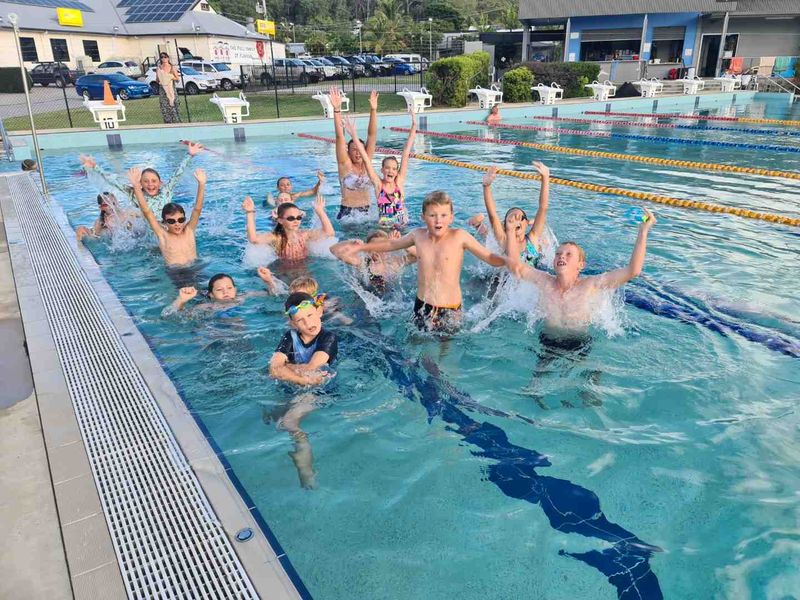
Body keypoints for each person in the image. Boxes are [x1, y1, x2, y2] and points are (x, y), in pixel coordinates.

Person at [353, 191, 506, 333]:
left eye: (444, 215)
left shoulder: (460, 236)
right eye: (432, 215)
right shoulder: (417, 236)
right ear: (423, 217)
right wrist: (364, 247)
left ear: (451, 217)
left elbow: (490, 258)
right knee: (415, 345)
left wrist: (511, 263)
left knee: (445, 349)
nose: (438, 220)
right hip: (421, 305)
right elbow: (391, 245)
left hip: (450, 309)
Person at [506, 208, 657, 333]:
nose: (561, 257)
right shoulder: (544, 281)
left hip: (580, 344)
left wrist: (643, 232)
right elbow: (516, 266)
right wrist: (511, 232)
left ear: (581, 265)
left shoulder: (591, 285)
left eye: (568, 254)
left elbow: (633, 271)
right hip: (547, 342)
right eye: (558, 254)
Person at [269, 292, 339, 489]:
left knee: (289, 422)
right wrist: (296, 375)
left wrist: (286, 368)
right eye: (300, 320)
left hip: (320, 390)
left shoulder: (329, 337)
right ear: (292, 324)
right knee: (272, 417)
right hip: (300, 386)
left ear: (319, 311)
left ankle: (306, 470)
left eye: (309, 315)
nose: (308, 323)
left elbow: (312, 369)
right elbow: (273, 370)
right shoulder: (289, 337)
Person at [79, 141, 202, 213]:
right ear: (140, 184)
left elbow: (177, 174)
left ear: (160, 183)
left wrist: (189, 155)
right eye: (146, 181)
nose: (150, 184)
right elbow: (113, 181)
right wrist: (95, 167)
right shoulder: (135, 194)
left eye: (154, 181)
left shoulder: (166, 190)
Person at [342, 110, 416, 228]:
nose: (390, 171)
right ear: (382, 170)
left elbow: (406, 152)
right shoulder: (378, 185)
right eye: (387, 168)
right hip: (385, 228)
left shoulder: (399, 183)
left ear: (397, 172)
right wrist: (354, 136)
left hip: (403, 226)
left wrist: (414, 124)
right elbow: (366, 160)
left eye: (393, 169)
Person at [473, 162, 551, 268]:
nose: (516, 220)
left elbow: (543, 207)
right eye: (511, 219)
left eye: (521, 218)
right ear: (505, 226)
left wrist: (545, 178)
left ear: (527, 223)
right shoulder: (504, 240)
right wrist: (486, 186)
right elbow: (493, 215)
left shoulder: (533, 238)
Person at [127, 166, 206, 267]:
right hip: (176, 273)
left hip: (196, 267)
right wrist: (136, 186)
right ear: (165, 222)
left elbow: (197, 209)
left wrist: (202, 184)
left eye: (181, 220)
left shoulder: (189, 231)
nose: (177, 224)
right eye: (172, 221)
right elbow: (147, 211)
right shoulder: (163, 236)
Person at [329, 86, 378, 219]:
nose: (357, 153)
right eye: (354, 150)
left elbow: (372, 135)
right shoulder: (345, 165)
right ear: (348, 152)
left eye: (359, 150)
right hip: (348, 214)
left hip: (368, 213)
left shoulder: (366, 163)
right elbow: (340, 137)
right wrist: (337, 110)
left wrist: (373, 110)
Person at [242, 194, 335, 262]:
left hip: (304, 268)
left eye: (299, 218)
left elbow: (329, 233)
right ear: (280, 220)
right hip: (283, 272)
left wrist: (320, 211)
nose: (296, 221)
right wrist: (250, 212)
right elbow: (254, 239)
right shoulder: (276, 238)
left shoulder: (304, 235)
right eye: (291, 218)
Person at [330, 230, 416, 296]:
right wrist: (352, 243)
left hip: (392, 299)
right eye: (374, 247)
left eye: (382, 246)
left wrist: (400, 243)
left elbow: (419, 256)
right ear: (367, 250)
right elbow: (334, 250)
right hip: (367, 300)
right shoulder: (362, 263)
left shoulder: (394, 262)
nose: (379, 250)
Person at [167, 269, 278, 312]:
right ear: (211, 295)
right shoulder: (208, 307)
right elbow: (181, 316)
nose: (226, 292)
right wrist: (181, 301)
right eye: (219, 290)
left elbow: (274, 294)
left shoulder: (242, 297)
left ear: (235, 290)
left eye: (229, 288)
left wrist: (269, 281)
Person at [156, 52, 181, 123]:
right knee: (164, 106)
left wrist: (169, 77)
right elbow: (157, 80)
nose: (164, 58)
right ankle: (167, 122)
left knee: (173, 104)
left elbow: (177, 79)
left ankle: (176, 121)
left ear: (168, 58)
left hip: (171, 89)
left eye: (165, 57)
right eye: (162, 57)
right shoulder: (159, 68)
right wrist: (161, 77)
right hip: (162, 89)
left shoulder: (172, 67)